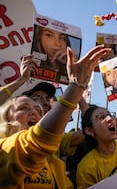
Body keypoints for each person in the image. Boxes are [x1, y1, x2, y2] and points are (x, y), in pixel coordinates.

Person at [0, 44, 111, 188]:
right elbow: (39, 139)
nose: (35, 109)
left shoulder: (56, 164)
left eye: (38, 108)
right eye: (24, 107)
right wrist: (76, 86)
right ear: (6, 118)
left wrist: (79, 90)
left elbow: (92, 129)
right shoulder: (4, 149)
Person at [76, 105, 117, 189]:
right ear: (89, 130)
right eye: (101, 117)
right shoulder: (86, 167)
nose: (109, 118)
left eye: (110, 115)